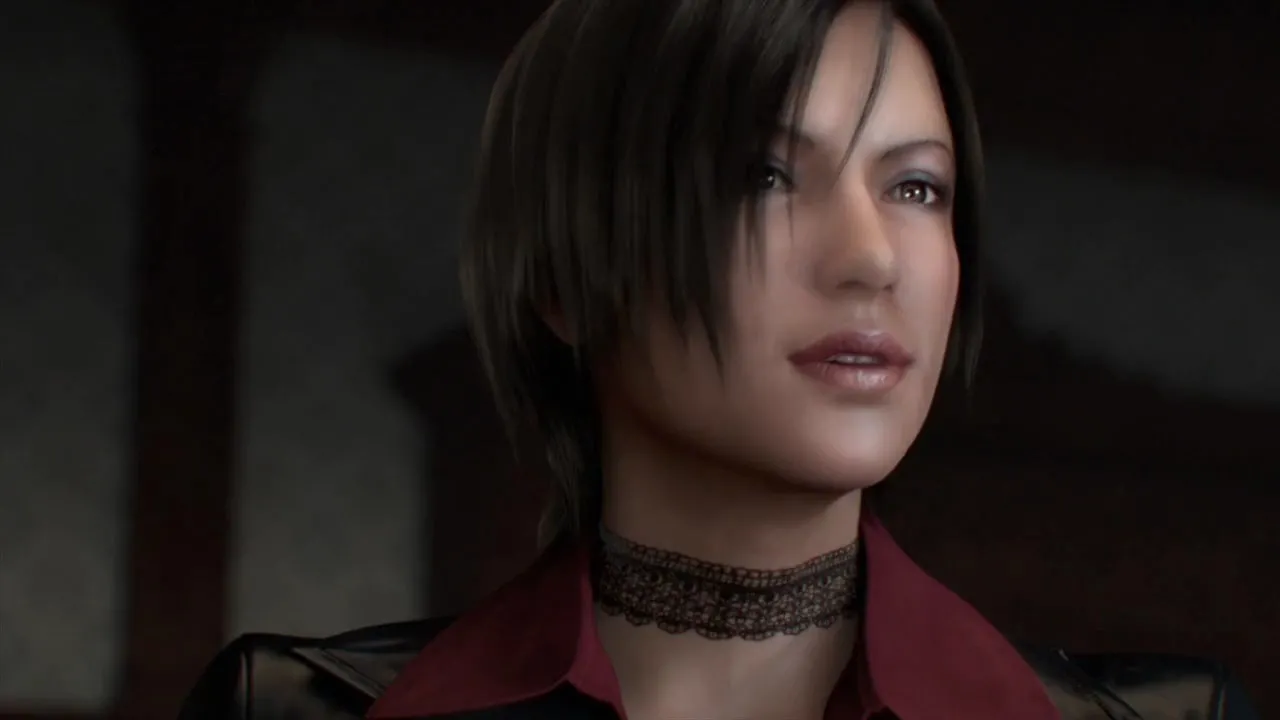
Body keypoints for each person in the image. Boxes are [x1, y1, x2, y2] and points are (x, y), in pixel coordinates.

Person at [178, 0, 1259, 718]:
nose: (872, 257)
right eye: (763, 176)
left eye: (915, 186)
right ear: (565, 277)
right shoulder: (292, 709)